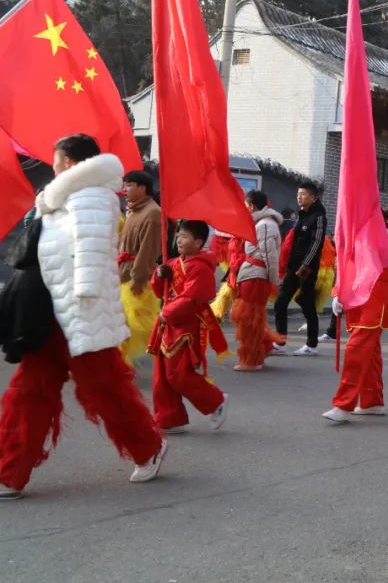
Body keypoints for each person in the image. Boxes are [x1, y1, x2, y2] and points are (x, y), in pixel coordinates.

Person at [0, 134, 167, 499]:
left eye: (56, 158)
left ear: (71, 162)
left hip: (81, 311)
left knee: (104, 390)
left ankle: (149, 447)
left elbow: (91, 252)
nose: (53, 163)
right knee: (29, 391)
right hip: (48, 311)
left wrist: (85, 300)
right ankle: (10, 471)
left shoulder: (91, 196)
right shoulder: (55, 198)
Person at [149, 220, 229, 432]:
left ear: (198, 242)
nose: (179, 240)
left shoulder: (201, 267)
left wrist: (167, 312)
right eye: (178, 236)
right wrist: (159, 275)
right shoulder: (174, 263)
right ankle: (169, 418)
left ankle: (216, 402)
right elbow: (160, 292)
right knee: (161, 375)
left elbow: (193, 298)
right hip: (168, 323)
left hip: (186, 326)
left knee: (179, 374)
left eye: (184, 236)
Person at [322, 223, 388, 423]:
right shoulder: (366, 241)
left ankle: (344, 404)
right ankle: (372, 401)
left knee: (355, 351)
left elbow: (365, 269)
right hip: (363, 304)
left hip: (375, 306)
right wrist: (338, 294)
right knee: (371, 354)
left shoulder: (386, 242)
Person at [231, 191, 284, 371]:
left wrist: (272, 279)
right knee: (253, 318)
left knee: (249, 320)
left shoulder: (264, 225)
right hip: (253, 274)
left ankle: (252, 360)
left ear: (252, 206)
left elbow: (270, 256)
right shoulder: (263, 224)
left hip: (256, 276)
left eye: (246, 206)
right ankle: (264, 349)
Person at [272, 182, 326, 356]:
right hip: (293, 267)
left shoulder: (318, 216)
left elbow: (317, 243)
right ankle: (280, 341)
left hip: (306, 269)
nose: (299, 197)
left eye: (303, 194)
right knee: (280, 302)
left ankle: (312, 345)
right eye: (298, 194)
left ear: (313, 197)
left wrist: (305, 265)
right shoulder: (302, 215)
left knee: (307, 304)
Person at [117, 170, 162, 364]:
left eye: (128, 185)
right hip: (122, 272)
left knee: (126, 326)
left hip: (134, 277)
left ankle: (120, 367)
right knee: (120, 324)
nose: (124, 189)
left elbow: (148, 251)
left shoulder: (152, 213)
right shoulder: (134, 210)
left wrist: (138, 278)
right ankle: (119, 365)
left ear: (142, 188)